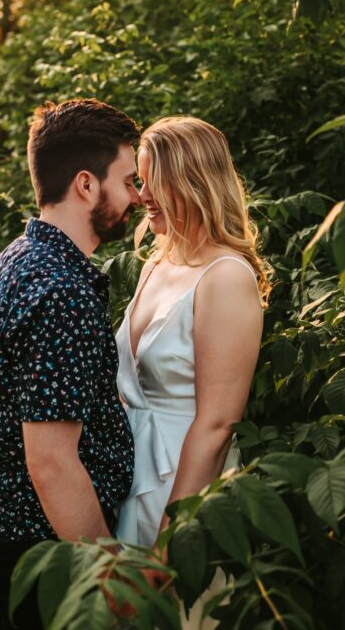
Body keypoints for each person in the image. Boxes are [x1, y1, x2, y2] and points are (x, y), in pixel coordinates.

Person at [0, 98, 141, 630]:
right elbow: (52, 462)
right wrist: (110, 573)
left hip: (9, 525)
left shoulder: (16, 258)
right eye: (127, 180)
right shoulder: (60, 290)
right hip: (45, 544)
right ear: (86, 185)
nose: (136, 196)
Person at [115, 116, 269, 617]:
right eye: (139, 181)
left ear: (193, 182)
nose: (142, 196)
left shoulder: (226, 277)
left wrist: (171, 540)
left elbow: (219, 422)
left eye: (153, 182)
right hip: (130, 472)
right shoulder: (160, 261)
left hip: (187, 480)